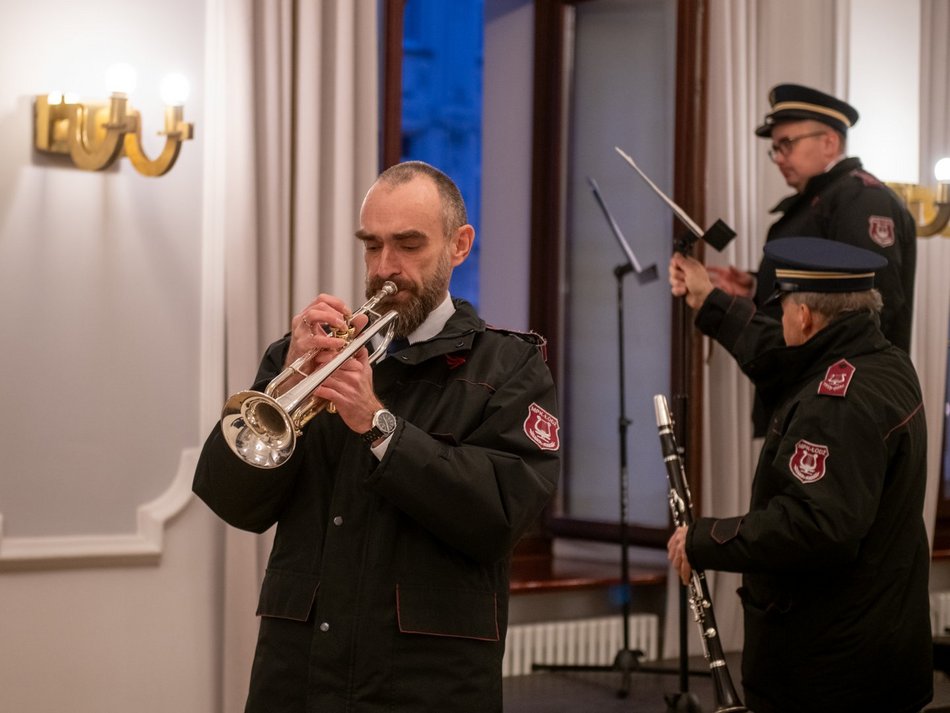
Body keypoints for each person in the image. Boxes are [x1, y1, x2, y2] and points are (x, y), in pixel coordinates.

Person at [193, 161, 561, 713]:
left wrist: (379, 424)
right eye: (372, 246)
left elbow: (504, 516)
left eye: (409, 245)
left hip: (427, 680)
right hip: (298, 673)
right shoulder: (303, 357)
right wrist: (285, 376)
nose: (386, 268)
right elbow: (233, 501)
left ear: (459, 246)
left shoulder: (509, 368)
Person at [666, 238, 932, 713]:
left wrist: (704, 539)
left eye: (785, 308)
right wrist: (712, 302)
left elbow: (813, 526)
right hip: (881, 647)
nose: (782, 319)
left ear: (806, 315)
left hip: (828, 669)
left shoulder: (836, 404)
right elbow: (778, 355)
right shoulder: (884, 362)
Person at [709, 83, 917, 436]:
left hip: (842, 405)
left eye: (787, 144)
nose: (778, 158)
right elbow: (821, 285)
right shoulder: (820, 199)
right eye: (774, 149)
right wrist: (755, 286)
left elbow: (869, 307)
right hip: (810, 397)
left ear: (829, 141)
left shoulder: (861, 200)